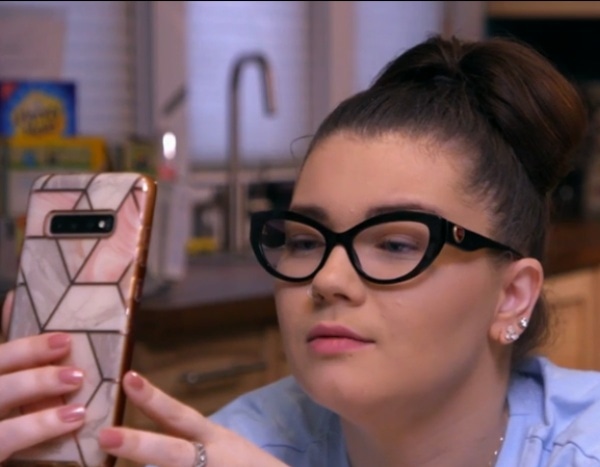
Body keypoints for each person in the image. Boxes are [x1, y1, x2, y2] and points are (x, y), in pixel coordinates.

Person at [2, 33, 600, 466]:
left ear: (511, 296)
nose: (327, 280)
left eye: (395, 243)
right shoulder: (242, 442)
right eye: (306, 241)